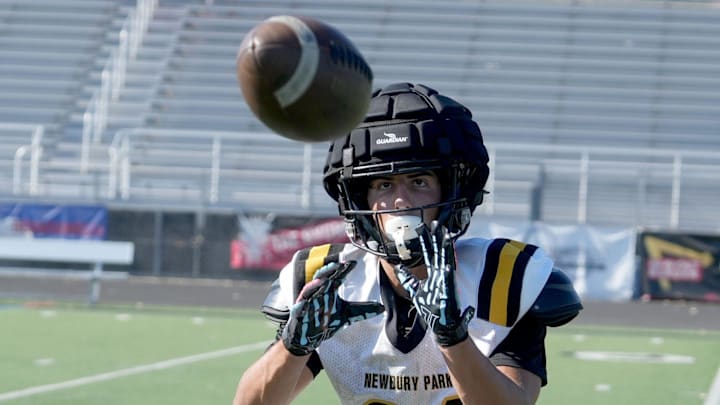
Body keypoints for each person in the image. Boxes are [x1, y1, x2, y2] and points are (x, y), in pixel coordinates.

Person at [234, 82, 582, 405]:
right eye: (383, 185)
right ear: (361, 199)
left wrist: (453, 337)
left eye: (418, 181)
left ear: (452, 192)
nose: (400, 201)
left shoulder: (502, 280)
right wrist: (294, 346)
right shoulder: (332, 280)